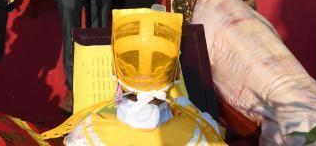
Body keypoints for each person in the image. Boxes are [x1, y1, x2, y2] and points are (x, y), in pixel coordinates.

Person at [48, 8, 225, 145]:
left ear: (114, 71)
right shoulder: (202, 130)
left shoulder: (86, 135)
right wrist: (185, 106)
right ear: (176, 74)